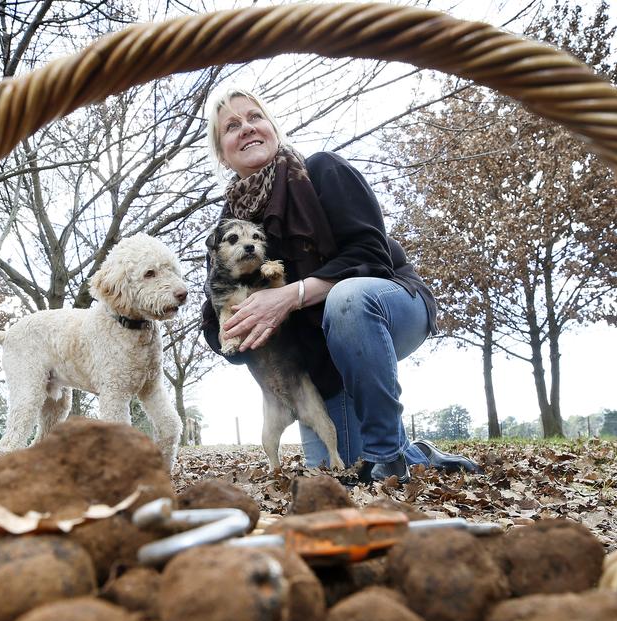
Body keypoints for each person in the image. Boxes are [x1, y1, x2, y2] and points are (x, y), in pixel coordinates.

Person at [200, 88, 479, 482]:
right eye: (231, 126)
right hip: (321, 357)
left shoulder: (320, 171)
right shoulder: (229, 230)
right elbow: (213, 313)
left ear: (273, 128)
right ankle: (415, 454)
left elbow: (371, 255)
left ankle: (388, 459)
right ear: (222, 151)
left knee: (348, 299)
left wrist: (289, 296)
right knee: (332, 470)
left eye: (254, 117)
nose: (246, 128)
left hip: (384, 302)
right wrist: (238, 332)